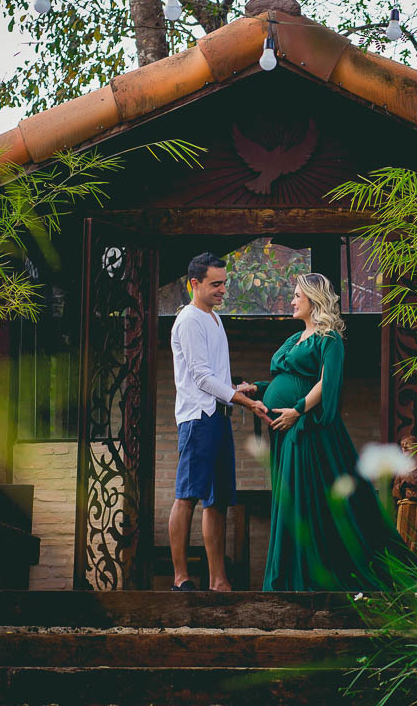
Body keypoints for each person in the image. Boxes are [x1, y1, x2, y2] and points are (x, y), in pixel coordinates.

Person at [247, 272, 409, 591]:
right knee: (291, 498)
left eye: (297, 295)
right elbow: (288, 379)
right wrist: (258, 389)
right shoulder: (295, 340)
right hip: (283, 431)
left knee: (305, 499)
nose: (292, 300)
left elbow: (326, 383)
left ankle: (306, 578)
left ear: (313, 299)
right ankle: (290, 576)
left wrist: (297, 410)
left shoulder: (330, 338)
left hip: (305, 428)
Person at [169, 252, 268, 592]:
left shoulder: (213, 318)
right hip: (198, 419)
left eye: (224, 283)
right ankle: (180, 578)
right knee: (187, 496)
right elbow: (200, 377)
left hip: (220, 417)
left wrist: (236, 389)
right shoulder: (188, 320)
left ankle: (218, 581)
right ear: (194, 283)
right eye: (215, 284)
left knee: (218, 501)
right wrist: (241, 399)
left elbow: (217, 376)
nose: (222, 290)